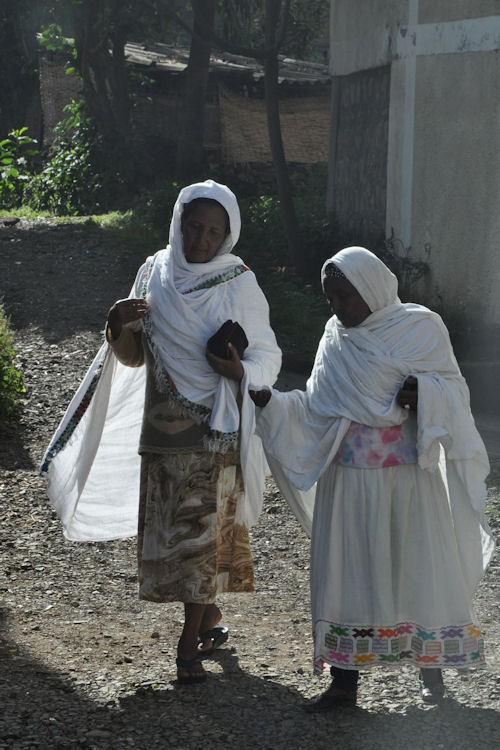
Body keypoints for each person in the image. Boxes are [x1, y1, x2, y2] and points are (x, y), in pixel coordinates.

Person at [41, 180, 281, 684]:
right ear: (178, 223)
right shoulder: (154, 274)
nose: (202, 241)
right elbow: (134, 356)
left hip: (216, 433)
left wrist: (239, 369)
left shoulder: (239, 282)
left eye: (214, 232)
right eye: (194, 227)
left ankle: (187, 645)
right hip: (164, 435)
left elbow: (268, 355)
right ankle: (207, 616)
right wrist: (116, 323)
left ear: (228, 235)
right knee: (179, 543)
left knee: (202, 540)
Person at [250, 246, 494, 710]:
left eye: (345, 296)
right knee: (347, 576)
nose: (338, 307)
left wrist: (425, 392)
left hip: (407, 482)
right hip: (347, 484)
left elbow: (455, 392)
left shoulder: (420, 328)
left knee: (417, 570)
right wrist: (272, 404)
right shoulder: (335, 339)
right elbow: (316, 409)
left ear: (373, 288)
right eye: (331, 298)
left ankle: (432, 677)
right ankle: (344, 682)